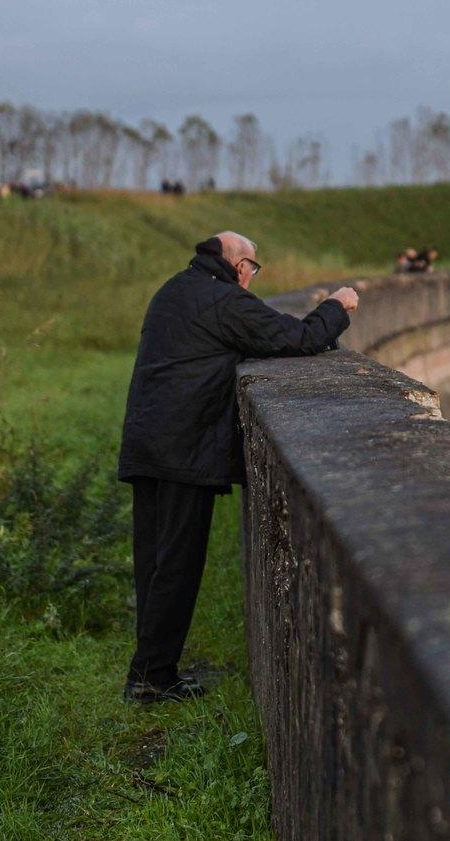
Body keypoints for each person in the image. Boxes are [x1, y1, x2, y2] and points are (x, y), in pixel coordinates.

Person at [117, 231, 359, 702]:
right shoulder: (222, 299)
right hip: (183, 447)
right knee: (177, 565)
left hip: (148, 441)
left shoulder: (174, 289)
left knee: (153, 561)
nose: (251, 278)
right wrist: (337, 306)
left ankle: (149, 671)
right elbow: (298, 337)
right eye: (252, 267)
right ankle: (150, 678)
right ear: (236, 263)